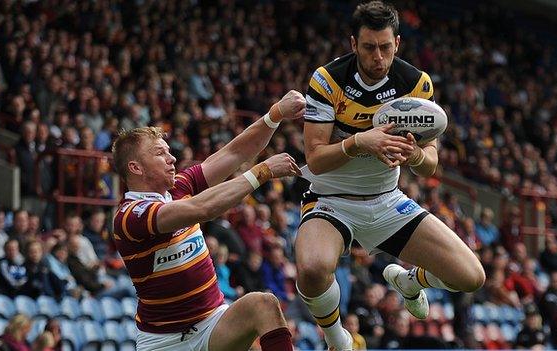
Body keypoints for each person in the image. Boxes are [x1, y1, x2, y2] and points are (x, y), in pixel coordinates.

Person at [295, 2, 485, 349]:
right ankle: (339, 340)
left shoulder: (415, 83)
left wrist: (413, 153)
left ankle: (411, 282)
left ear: (397, 43)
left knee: (471, 277)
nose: (378, 57)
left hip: (387, 202)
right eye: (369, 47)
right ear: (353, 44)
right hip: (331, 201)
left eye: (385, 47)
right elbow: (316, 159)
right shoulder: (327, 80)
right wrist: (358, 142)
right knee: (311, 269)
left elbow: (431, 163)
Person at [111, 90, 305, 351]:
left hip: (212, 323)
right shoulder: (130, 216)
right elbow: (201, 208)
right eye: (160, 153)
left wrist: (275, 114)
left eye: (169, 152)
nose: (172, 159)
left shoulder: (178, 187)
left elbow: (235, 152)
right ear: (136, 167)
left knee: (263, 304)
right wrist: (261, 172)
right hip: (165, 342)